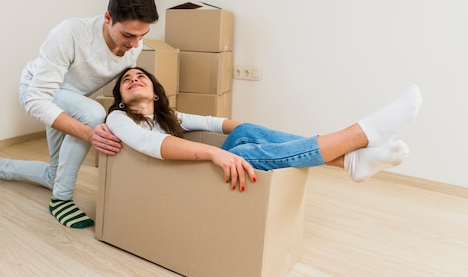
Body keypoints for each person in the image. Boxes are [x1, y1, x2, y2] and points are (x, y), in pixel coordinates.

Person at [0, 0, 159, 228]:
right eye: (129, 35)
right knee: (93, 113)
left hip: (70, 100)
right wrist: (89, 133)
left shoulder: (132, 48)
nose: (136, 44)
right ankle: (61, 199)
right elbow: (36, 99)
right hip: (39, 92)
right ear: (108, 17)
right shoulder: (70, 33)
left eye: (142, 35)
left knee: (55, 174)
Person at [106, 67, 422, 191]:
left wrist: (249, 129)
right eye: (126, 80)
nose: (133, 79)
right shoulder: (118, 121)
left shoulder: (168, 117)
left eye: (140, 77)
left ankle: (350, 158)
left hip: (194, 172)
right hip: (177, 182)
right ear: (120, 97)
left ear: (156, 92)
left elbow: (213, 123)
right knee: (242, 151)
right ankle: (357, 138)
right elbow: (153, 146)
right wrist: (216, 154)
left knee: (244, 133)